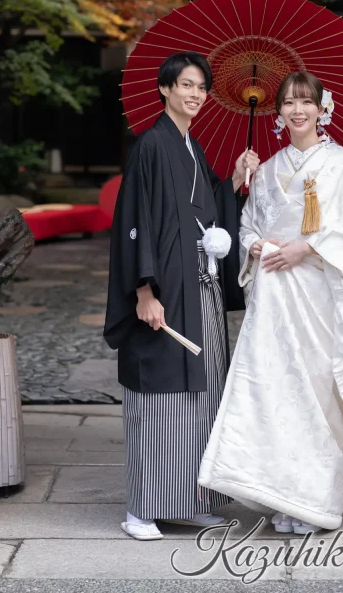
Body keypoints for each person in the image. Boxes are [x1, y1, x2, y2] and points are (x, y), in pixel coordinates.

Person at [198, 70, 343, 535]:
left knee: (317, 391)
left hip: (319, 293)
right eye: (289, 103)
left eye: (306, 102)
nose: (298, 111)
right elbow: (248, 225)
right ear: (277, 112)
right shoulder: (266, 168)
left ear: (322, 109)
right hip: (276, 295)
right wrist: (254, 244)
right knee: (275, 389)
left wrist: (307, 248)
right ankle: (281, 494)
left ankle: (316, 500)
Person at [104, 51, 260, 541]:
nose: (195, 94)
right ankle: (142, 509)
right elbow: (134, 221)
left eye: (201, 87)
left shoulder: (192, 147)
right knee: (160, 397)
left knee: (204, 391)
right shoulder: (150, 145)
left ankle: (190, 501)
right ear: (165, 89)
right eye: (186, 85)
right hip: (167, 289)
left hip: (201, 288)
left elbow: (209, 206)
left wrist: (235, 180)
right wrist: (143, 291)